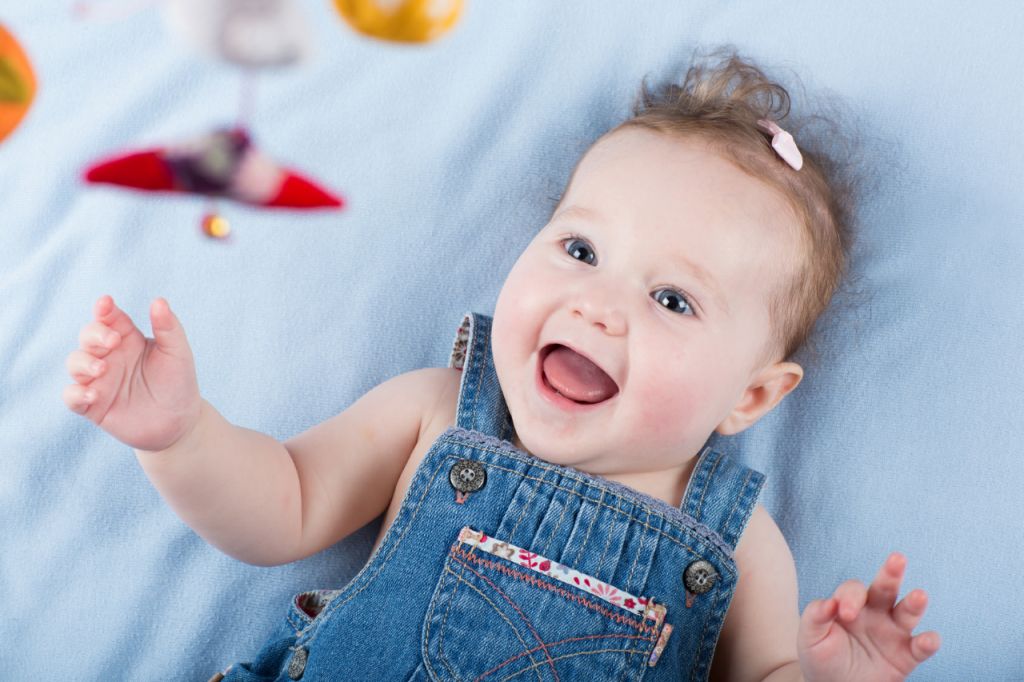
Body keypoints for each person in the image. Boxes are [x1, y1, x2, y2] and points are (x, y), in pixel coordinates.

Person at [63, 52, 940, 682]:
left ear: (751, 395)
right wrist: (182, 435)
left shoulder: (739, 543)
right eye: (581, 247)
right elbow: (282, 505)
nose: (599, 304)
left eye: (673, 300)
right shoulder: (437, 414)